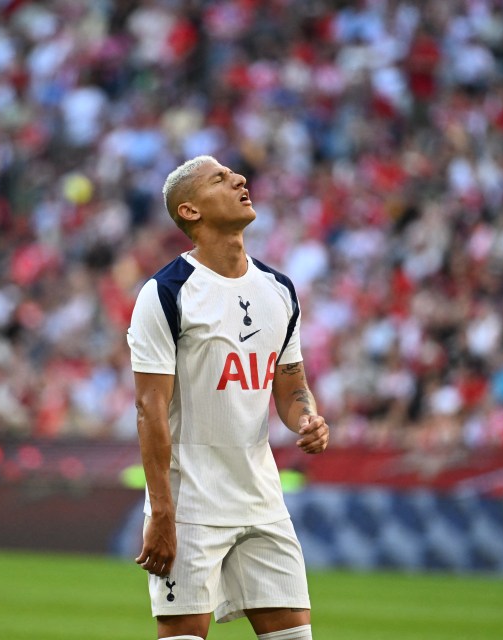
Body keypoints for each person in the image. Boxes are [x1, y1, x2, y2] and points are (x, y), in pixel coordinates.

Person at [127, 155, 330, 640]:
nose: (239, 179)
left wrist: (307, 417)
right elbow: (150, 409)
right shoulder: (165, 293)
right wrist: (162, 511)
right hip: (191, 504)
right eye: (219, 178)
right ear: (190, 211)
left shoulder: (278, 290)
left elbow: (291, 386)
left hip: (261, 499)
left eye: (233, 174)